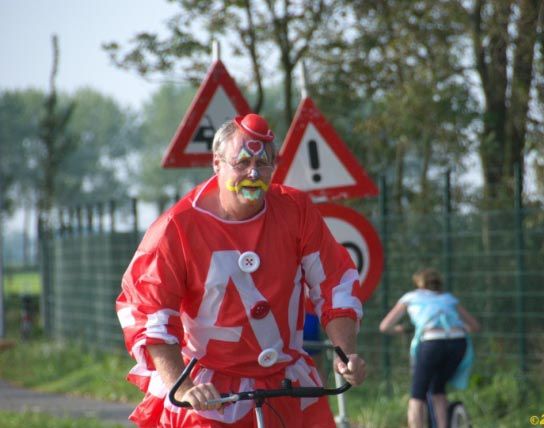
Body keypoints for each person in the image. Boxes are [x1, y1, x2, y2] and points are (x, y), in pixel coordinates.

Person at [116, 113, 366, 428]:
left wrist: (346, 354)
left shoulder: (296, 210)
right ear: (217, 163)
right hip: (209, 395)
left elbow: (333, 282)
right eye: (242, 162)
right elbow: (150, 312)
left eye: (264, 164)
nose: (253, 173)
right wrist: (183, 385)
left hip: (285, 386)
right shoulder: (175, 227)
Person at [379, 268, 480, 428]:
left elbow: (384, 326)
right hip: (458, 343)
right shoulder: (449, 299)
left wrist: (401, 329)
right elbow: (474, 326)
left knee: (417, 395)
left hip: (432, 343)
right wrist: (456, 330)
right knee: (438, 389)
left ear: (419, 284)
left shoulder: (410, 297)